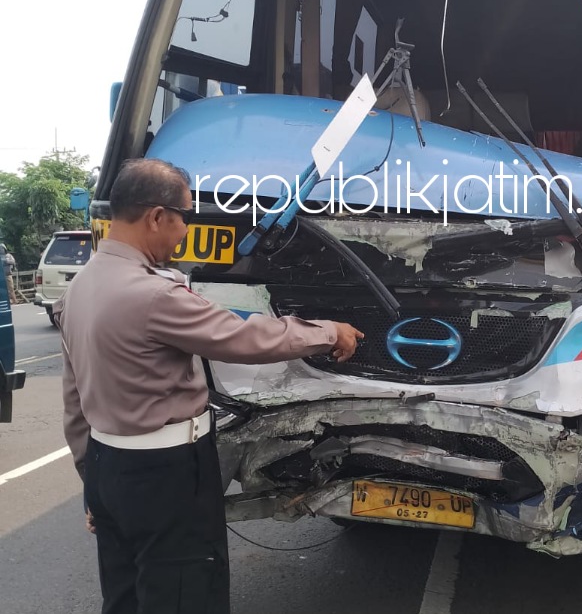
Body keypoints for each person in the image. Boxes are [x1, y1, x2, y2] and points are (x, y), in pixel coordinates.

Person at [55, 158, 364, 614]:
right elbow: (249, 337)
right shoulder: (154, 295)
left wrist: (95, 487)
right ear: (157, 217)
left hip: (109, 466)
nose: (184, 231)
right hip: (165, 473)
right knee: (185, 591)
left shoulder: (81, 286)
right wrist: (329, 332)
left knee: (124, 595)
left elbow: (73, 396)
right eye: (185, 216)